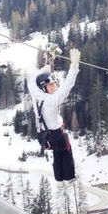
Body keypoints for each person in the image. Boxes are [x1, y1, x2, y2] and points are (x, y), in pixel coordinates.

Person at [27, 48, 80, 183]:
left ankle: (59, 177)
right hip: (55, 133)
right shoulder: (51, 100)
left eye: (54, 84)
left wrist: (48, 65)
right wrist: (74, 66)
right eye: (51, 85)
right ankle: (69, 176)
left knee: (58, 152)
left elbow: (32, 80)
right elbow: (67, 87)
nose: (54, 86)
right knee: (66, 150)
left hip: (44, 136)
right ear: (44, 88)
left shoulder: (35, 93)